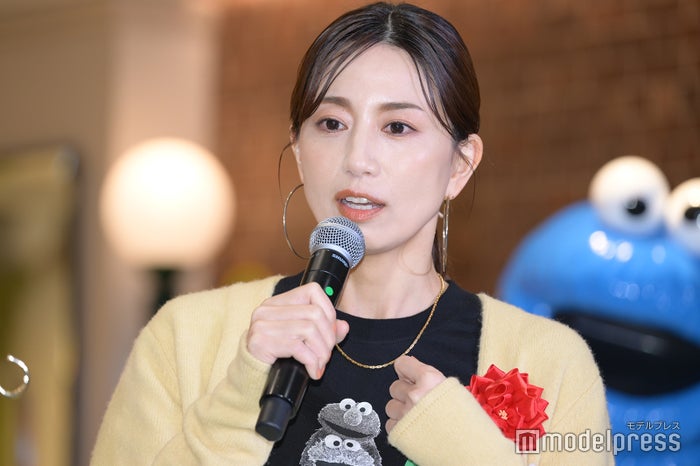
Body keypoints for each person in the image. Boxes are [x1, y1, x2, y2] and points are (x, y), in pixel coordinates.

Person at [91, 2, 613, 465]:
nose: (357, 160)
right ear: (299, 149)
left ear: (461, 164)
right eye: (332, 124)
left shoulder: (551, 360)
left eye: (397, 127)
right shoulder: (184, 336)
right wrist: (239, 394)